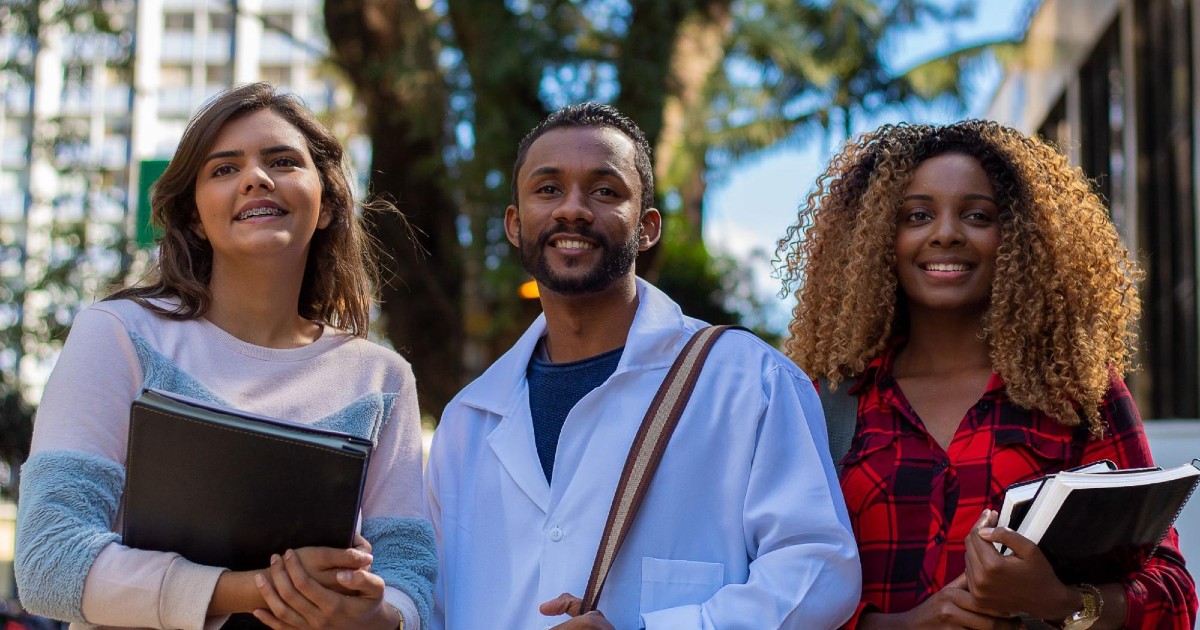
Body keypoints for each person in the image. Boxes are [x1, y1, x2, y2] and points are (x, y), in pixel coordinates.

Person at [424, 102, 861, 630]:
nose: (573, 209)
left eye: (605, 191)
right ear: (515, 225)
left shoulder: (749, 380)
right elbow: (434, 602)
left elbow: (819, 570)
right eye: (548, 189)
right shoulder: (468, 419)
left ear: (648, 226)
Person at [15, 83, 435, 630]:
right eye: (223, 169)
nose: (256, 178)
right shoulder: (117, 334)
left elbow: (414, 580)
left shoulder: (381, 378)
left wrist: (376, 615)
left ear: (329, 204)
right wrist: (257, 590)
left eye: (282, 161)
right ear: (193, 217)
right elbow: (49, 560)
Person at [779, 119, 1198, 629]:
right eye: (917, 216)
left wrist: (1059, 601)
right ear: (875, 239)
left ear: (1020, 238)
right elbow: (768, 586)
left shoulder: (1079, 394)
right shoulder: (823, 402)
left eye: (978, 215)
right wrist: (899, 626)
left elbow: (1173, 594)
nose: (947, 233)